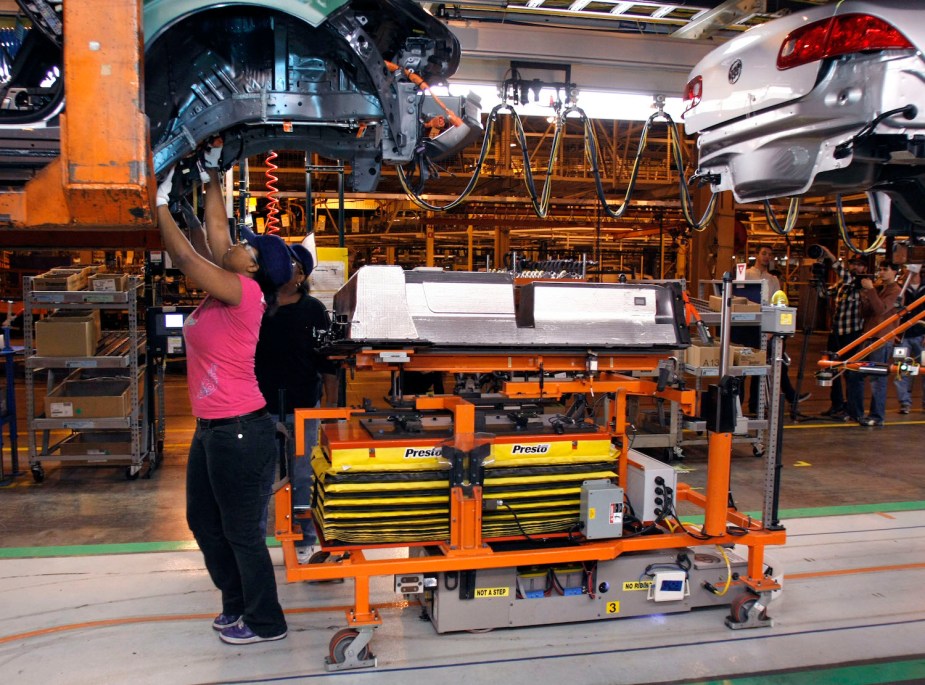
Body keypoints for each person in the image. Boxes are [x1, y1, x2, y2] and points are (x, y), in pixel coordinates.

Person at [155, 150, 291, 645]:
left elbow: (189, 256)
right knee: (203, 523)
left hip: (238, 429)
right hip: (213, 427)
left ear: (252, 268)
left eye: (244, 246)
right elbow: (214, 235)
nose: (234, 244)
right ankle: (236, 604)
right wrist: (215, 172)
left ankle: (265, 622)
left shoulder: (244, 294)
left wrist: (157, 204)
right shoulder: (232, 282)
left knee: (240, 532)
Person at [254, 241, 338, 562]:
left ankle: (305, 539)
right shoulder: (258, 306)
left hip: (303, 406)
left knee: (303, 475)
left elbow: (327, 362)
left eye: (291, 265)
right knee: (263, 475)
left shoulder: (313, 310)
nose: (283, 269)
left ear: (301, 274)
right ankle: (256, 544)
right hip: (262, 407)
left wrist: (331, 408)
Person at [744, 243, 809, 413]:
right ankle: (741, 404)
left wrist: (773, 330)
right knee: (744, 367)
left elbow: (777, 306)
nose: (766, 257)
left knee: (764, 367)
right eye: (764, 253)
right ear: (757, 255)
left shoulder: (773, 280)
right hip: (746, 326)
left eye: (769, 254)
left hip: (765, 327)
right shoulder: (745, 275)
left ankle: (756, 405)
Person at [848, 261, 901, 427]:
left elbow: (881, 309)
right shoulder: (880, 289)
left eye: (886, 269)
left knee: (877, 379)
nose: (882, 273)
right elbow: (866, 313)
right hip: (869, 336)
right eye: (881, 269)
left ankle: (877, 416)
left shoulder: (896, 291)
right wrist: (865, 296)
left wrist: (871, 290)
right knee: (853, 372)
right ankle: (856, 412)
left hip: (882, 338)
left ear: (895, 272)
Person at [818, 248, 866, 420]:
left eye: (860, 265)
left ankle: (851, 406)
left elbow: (845, 275)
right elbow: (823, 293)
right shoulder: (841, 284)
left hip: (851, 333)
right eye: (853, 264)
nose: (856, 267)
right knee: (832, 368)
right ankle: (837, 404)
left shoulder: (860, 283)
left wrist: (830, 256)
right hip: (836, 332)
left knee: (849, 370)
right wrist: (819, 276)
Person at [894, 259, 925, 414]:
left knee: (924, 368)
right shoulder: (901, 290)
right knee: (902, 369)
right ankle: (904, 402)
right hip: (903, 336)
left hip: (922, 335)